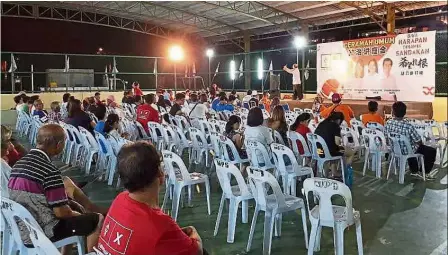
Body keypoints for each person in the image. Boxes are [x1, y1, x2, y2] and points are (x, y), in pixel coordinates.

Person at [8, 124, 104, 253]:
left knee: (72, 207)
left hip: (21, 225)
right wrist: (80, 214)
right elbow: (62, 213)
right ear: (58, 145)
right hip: (43, 231)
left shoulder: (19, 164)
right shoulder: (49, 170)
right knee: (97, 219)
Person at [97, 142, 205, 255]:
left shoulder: (120, 200)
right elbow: (196, 251)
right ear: (160, 174)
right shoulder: (160, 224)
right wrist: (194, 234)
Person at [384, 102, 436, 179]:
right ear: (405, 113)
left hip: (394, 150)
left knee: (410, 145)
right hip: (408, 150)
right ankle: (425, 172)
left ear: (393, 112)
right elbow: (418, 141)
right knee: (431, 151)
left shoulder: (388, 123)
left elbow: (386, 137)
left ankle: (414, 170)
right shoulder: (408, 126)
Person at [314, 112, 355, 179]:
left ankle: (334, 172)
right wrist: (341, 138)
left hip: (318, 150)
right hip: (329, 152)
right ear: (339, 120)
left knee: (334, 148)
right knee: (351, 153)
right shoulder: (335, 126)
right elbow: (337, 143)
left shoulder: (321, 124)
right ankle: (346, 173)